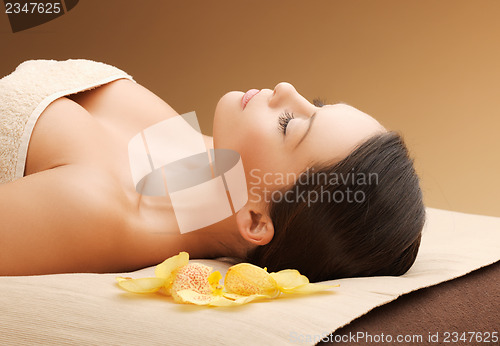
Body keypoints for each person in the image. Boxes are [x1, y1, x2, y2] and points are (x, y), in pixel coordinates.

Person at [0, 73, 425, 279]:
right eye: (315, 102)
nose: (285, 88)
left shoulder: (97, 207)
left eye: (290, 124)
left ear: (257, 221)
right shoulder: (201, 159)